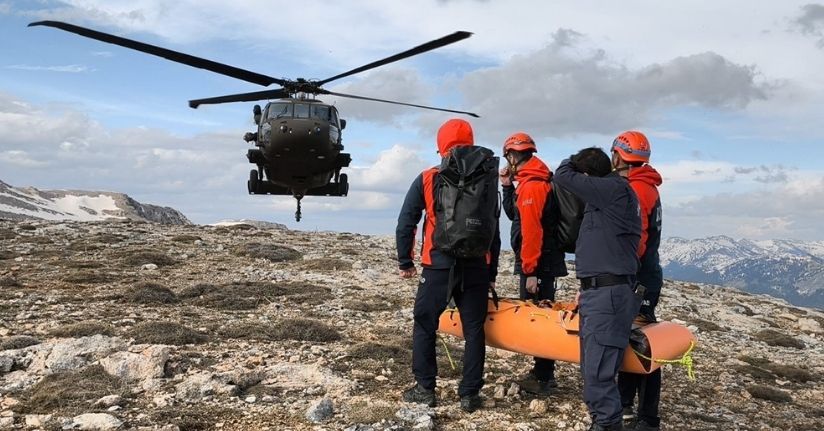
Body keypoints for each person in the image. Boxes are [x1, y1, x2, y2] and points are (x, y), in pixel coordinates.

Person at [395, 118, 500, 413]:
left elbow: (406, 222)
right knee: (474, 330)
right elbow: (493, 230)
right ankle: (469, 395)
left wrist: (405, 260)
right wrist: (490, 273)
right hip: (477, 265)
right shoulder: (487, 179)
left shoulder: (429, 177)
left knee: (425, 324)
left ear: (441, 144)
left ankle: (425, 389)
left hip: (438, 264)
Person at [553, 147, 642, 431]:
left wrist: (572, 161)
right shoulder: (610, 196)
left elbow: (562, 175)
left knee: (598, 372)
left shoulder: (612, 190)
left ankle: (606, 424)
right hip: (602, 291)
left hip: (609, 295)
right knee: (595, 367)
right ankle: (604, 422)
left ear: (590, 176)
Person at [500, 132, 567, 395]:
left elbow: (531, 232)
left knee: (539, 317)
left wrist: (530, 271)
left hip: (539, 264)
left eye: (508, 156)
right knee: (539, 313)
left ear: (514, 155)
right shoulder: (528, 182)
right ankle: (541, 372)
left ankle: (543, 377)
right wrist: (506, 186)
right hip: (541, 262)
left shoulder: (533, 186)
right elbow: (514, 216)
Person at [611, 132, 664, 431]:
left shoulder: (638, 191)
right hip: (643, 274)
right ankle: (626, 404)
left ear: (618, 156)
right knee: (629, 337)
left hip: (638, 276)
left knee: (642, 341)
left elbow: (637, 241)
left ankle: (648, 416)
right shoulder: (644, 186)